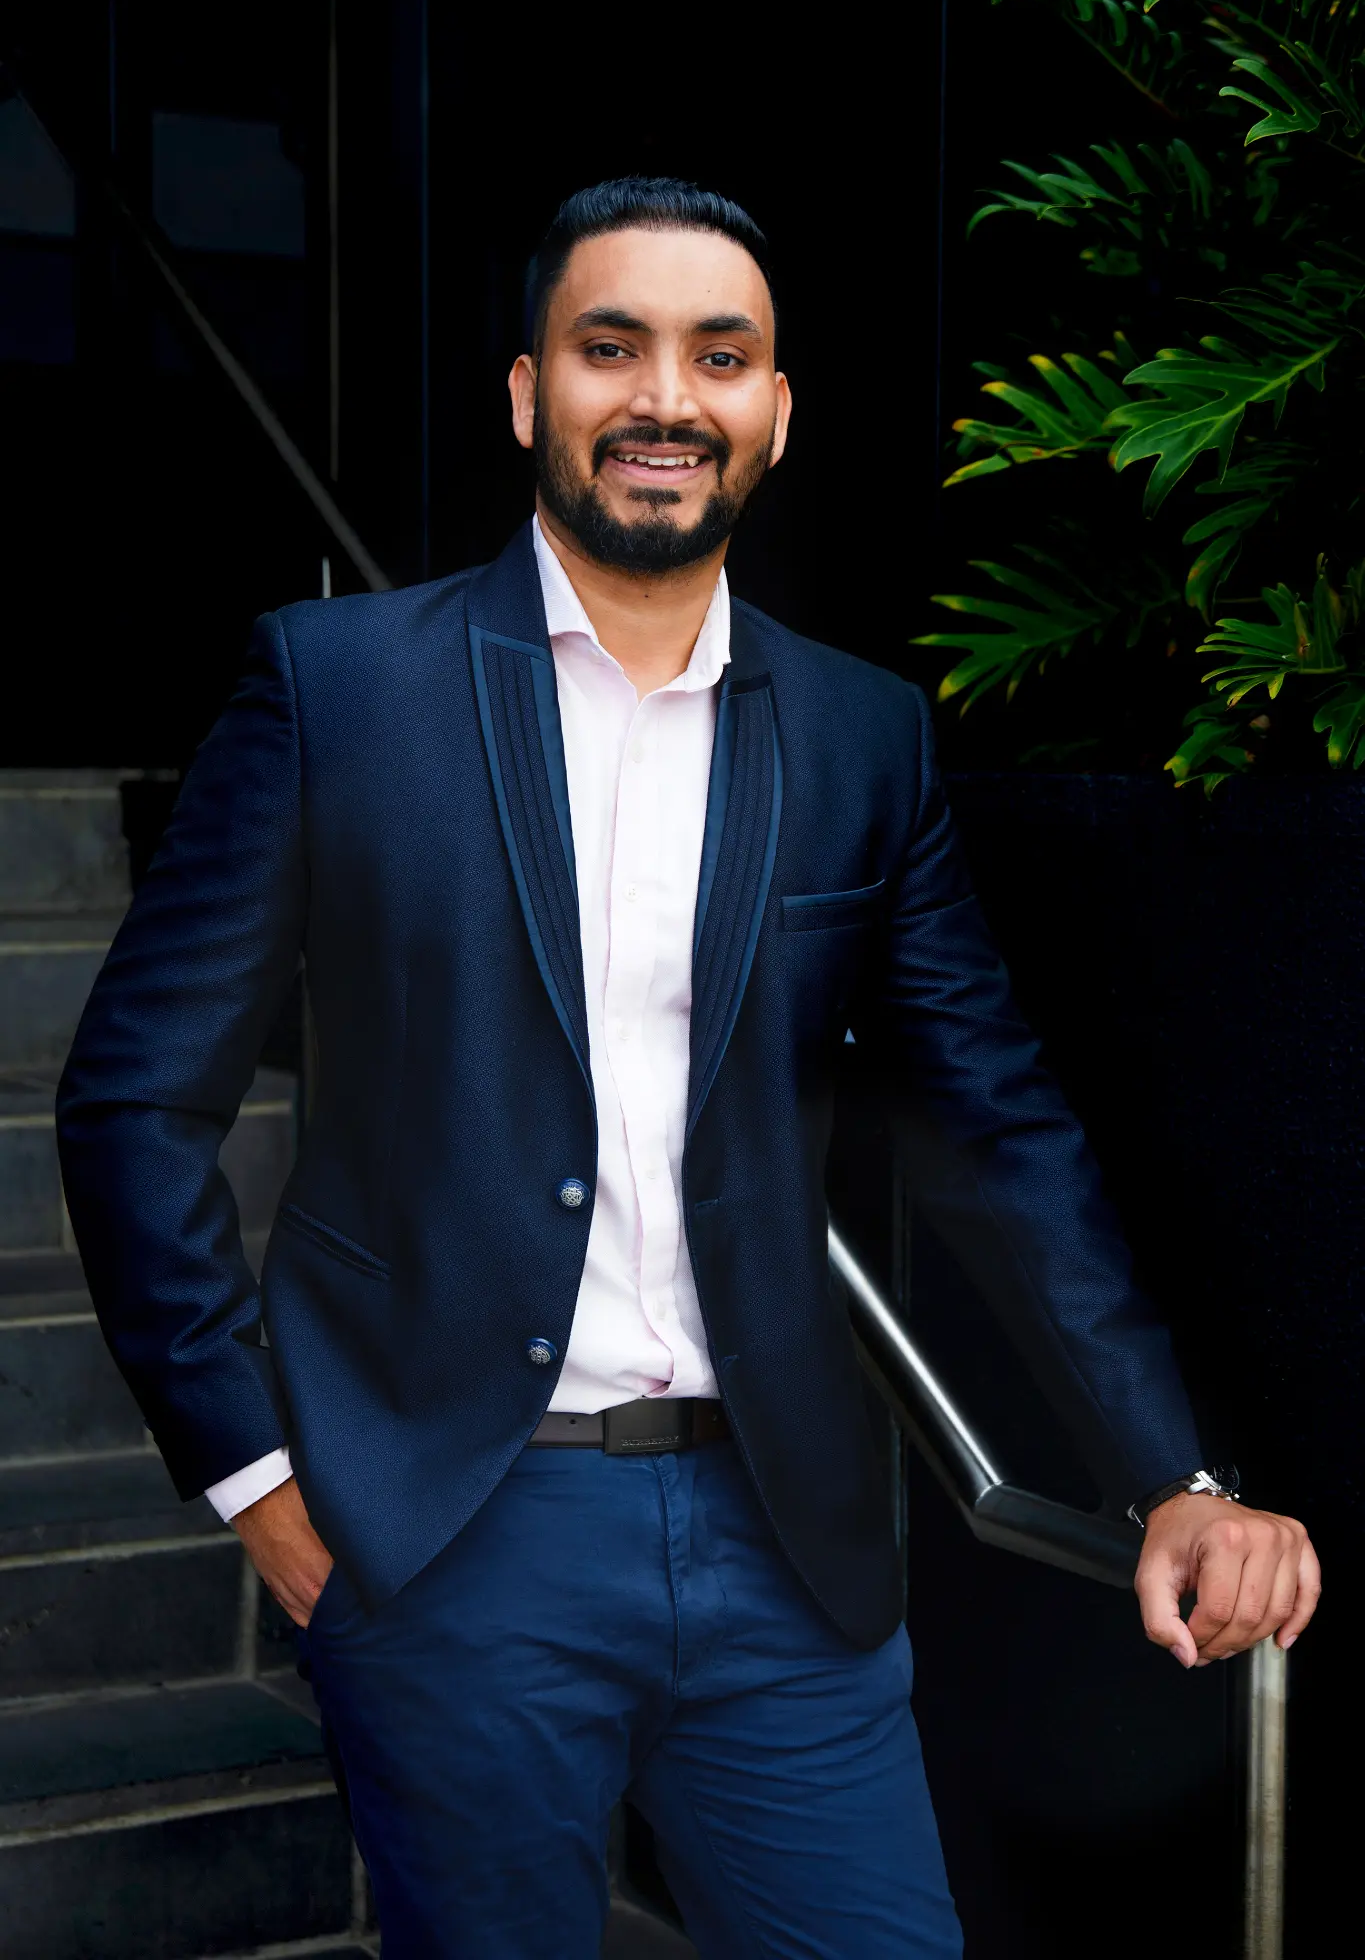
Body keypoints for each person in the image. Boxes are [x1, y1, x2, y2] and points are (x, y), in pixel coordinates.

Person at [56, 177, 1320, 1959]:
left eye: (719, 357)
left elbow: (999, 1122)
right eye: (612, 347)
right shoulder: (338, 688)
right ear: (529, 393)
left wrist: (1173, 1475)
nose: (666, 397)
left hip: (782, 1538)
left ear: (776, 413)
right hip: (450, 1531)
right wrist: (257, 1479)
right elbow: (134, 1099)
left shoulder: (863, 735)